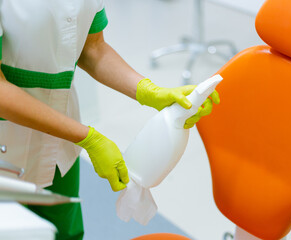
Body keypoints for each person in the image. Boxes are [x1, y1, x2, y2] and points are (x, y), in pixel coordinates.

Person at [0, 0, 220, 239]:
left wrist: (148, 91)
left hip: (59, 144)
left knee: (63, 232)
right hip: (9, 144)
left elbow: (93, 49)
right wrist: (87, 138)